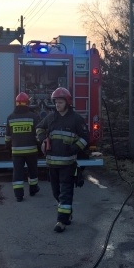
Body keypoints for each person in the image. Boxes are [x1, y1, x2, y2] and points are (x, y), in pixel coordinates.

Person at [36, 87, 89, 233]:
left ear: (67, 102)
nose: (57, 105)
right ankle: (67, 212)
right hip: (52, 164)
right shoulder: (51, 118)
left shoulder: (76, 119)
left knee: (66, 192)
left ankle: (61, 221)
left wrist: (75, 148)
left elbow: (85, 138)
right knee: (56, 193)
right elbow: (39, 128)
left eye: (60, 102)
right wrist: (42, 140)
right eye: (56, 102)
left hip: (68, 163)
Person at [5, 92, 41, 202]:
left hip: (16, 152)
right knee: (33, 171)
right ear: (27, 103)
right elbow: (38, 135)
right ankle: (33, 190)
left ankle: (19, 195)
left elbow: (7, 136)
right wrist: (40, 147)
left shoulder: (10, 117)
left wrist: (8, 147)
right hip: (31, 151)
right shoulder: (34, 117)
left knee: (17, 173)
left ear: (16, 103)